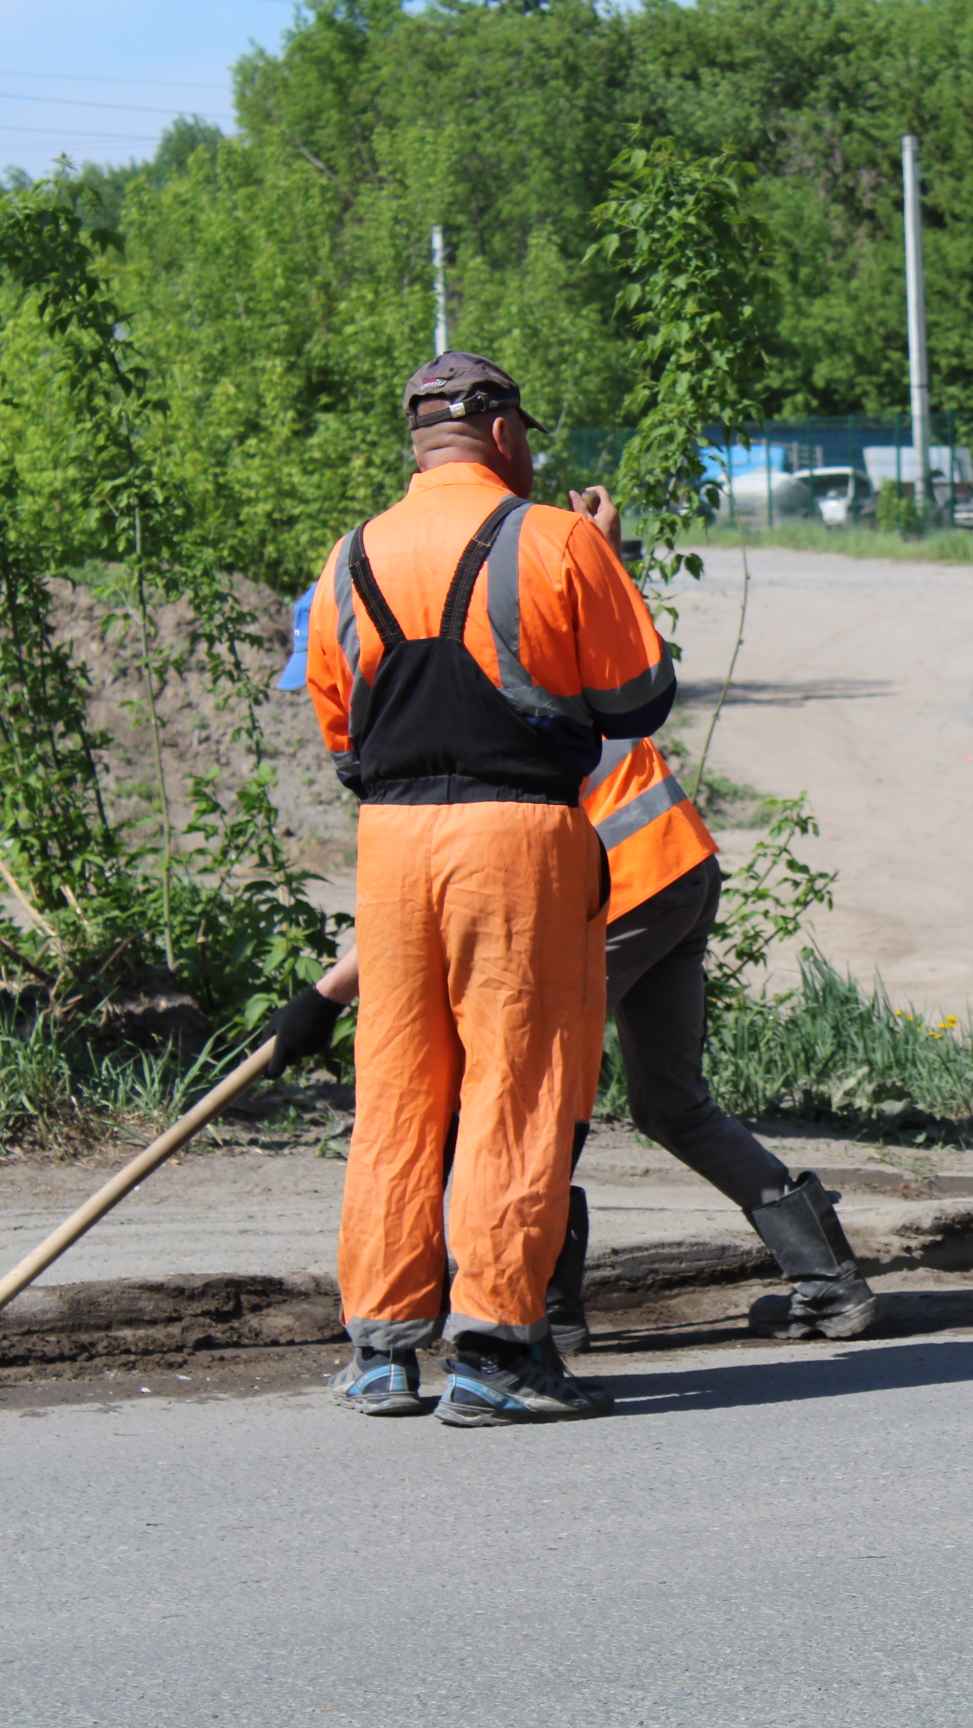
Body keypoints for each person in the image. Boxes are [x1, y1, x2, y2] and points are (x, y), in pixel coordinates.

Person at [273, 493, 878, 1362]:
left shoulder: (437, 713)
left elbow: (445, 889)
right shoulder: (507, 658)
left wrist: (324, 997)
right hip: (677, 866)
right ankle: (831, 1283)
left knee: (526, 1097)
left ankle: (545, 1317)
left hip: (614, 889)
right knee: (672, 1103)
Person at [282, 351, 673, 1428]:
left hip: (391, 843)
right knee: (518, 1086)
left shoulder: (349, 554)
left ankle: (381, 1350)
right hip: (518, 837)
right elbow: (638, 699)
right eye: (525, 439)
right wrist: (607, 561)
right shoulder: (555, 539)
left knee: (397, 1088)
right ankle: (496, 1352)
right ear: (502, 435)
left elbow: (338, 731)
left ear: (418, 441)